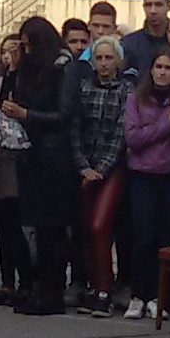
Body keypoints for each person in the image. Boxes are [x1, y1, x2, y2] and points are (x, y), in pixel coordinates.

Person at [0, 18, 78, 317]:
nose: (26, 50)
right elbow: (8, 100)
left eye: (28, 44)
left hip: (55, 155)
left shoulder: (62, 66)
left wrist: (27, 114)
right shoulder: (30, 69)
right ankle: (38, 288)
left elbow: (64, 113)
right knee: (37, 228)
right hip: (31, 153)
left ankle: (53, 291)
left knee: (53, 228)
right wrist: (13, 70)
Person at [118, 48, 170, 319]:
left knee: (164, 238)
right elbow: (134, 138)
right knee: (143, 237)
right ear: (151, 70)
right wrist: (167, 123)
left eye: (168, 68)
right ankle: (137, 294)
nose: (162, 72)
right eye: (158, 67)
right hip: (142, 175)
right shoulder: (136, 99)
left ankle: (157, 296)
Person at [71, 35, 128, 314]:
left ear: (118, 60)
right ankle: (93, 286)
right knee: (84, 228)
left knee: (99, 225)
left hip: (112, 168)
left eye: (109, 58)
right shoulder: (83, 88)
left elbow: (120, 135)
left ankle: (105, 288)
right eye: (99, 58)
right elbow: (75, 129)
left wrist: (101, 170)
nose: (104, 63)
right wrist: (83, 166)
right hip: (85, 166)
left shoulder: (127, 91)